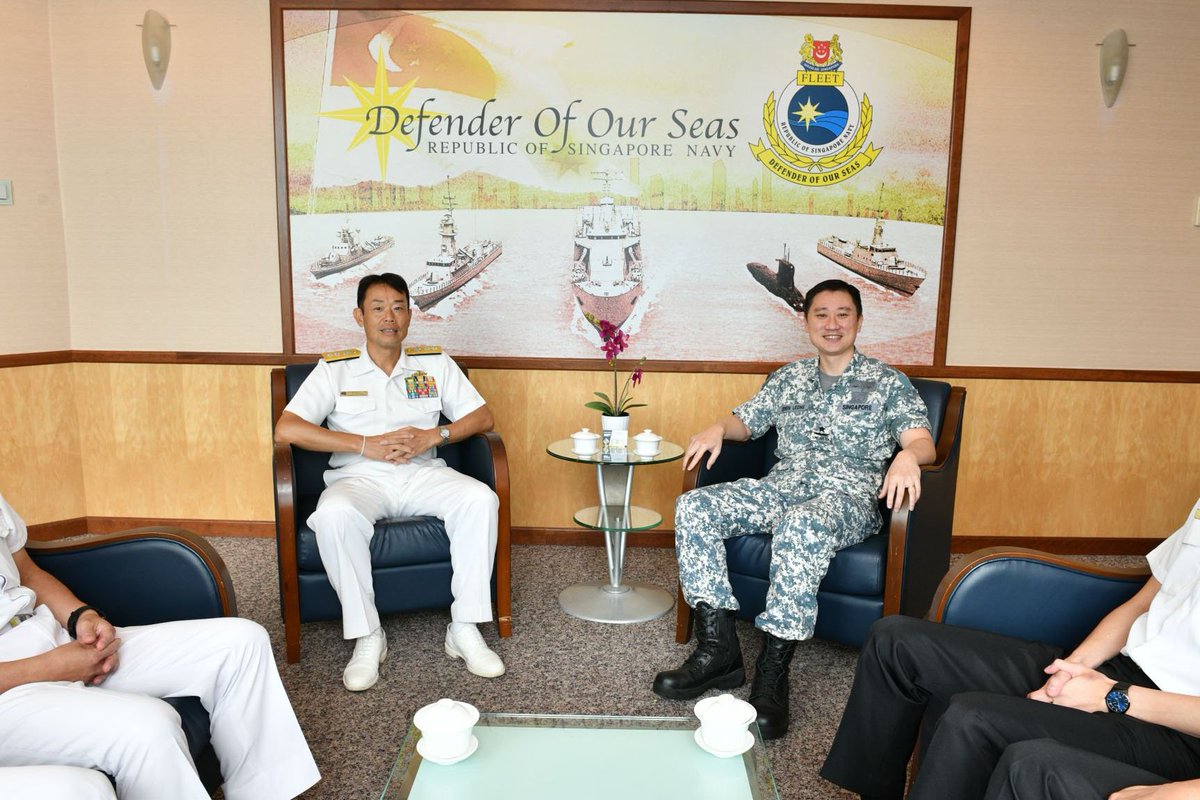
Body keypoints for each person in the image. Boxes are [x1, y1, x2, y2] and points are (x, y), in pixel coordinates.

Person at [652, 278, 935, 739]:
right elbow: (746, 422)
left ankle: (772, 674)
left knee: (802, 524)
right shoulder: (788, 378)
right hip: (781, 488)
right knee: (696, 506)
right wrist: (717, 428)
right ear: (806, 322)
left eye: (843, 314)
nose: (832, 324)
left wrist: (907, 457)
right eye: (821, 314)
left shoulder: (887, 382)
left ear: (859, 321)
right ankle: (718, 651)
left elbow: (922, 441)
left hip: (845, 499)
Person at [820, 496, 1200, 800]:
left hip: (1174, 725)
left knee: (971, 717)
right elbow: (1143, 602)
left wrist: (1112, 697)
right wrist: (1074, 668)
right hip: (1115, 672)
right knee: (895, 640)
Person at [0, 492, 320, 800]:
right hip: (11, 685)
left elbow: (28, 573)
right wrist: (52, 667)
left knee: (242, 643)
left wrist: (81, 617)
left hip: (54, 637)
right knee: (149, 728)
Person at [274, 272, 504, 691]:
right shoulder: (336, 369)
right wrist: (364, 444)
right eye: (377, 308)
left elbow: (482, 417)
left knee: (480, 499)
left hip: (423, 473)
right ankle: (368, 634)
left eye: (398, 308)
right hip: (359, 478)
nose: (389, 317)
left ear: (410, 315)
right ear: (359, 316)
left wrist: (435, 435)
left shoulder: (433, 363)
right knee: (334, 515)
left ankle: (464, 627)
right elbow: (287, 428)